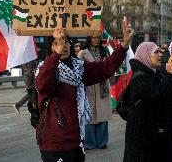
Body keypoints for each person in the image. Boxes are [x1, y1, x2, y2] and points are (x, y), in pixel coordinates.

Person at [35, 26, 133, 162]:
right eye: (57, 42)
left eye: (66, 41)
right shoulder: (44, 68)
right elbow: (42, 85)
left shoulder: (79, 67)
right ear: (51, 47)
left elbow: (104, 68)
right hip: (55, 142)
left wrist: (123, 47)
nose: (63, 45)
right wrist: (55, 56)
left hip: (76, 139)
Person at [123, 42, 172, 162]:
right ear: (146, 55)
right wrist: (170, 75)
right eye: (156, 52)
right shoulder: (140, 77)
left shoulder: (154, 73)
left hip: (152, 133)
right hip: (142, 136)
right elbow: (156, 96)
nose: (160, 55)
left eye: (160, 52)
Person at [77, 36, 111, 150]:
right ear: (89, 39)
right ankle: (89, 143)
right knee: (90, 116)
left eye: (98, 38)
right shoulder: (83, 53)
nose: (96, 40)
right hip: (89, 86)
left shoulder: (104, 50)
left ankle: (102, 142)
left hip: (103, 86)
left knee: (102, 114)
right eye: (94, 38)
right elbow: (78, 69)